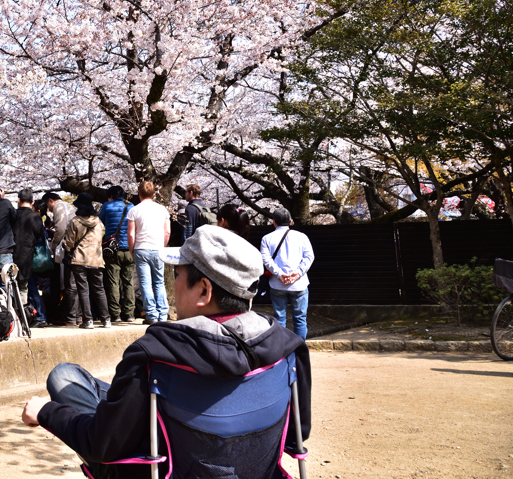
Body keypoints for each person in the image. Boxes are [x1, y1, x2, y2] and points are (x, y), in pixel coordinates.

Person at [20, 215, 311, 477]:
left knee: (64, 376)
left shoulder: (156, 353)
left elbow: (103, 445)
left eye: (178, 274)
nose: (175, 283)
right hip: (255, 468)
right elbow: (298, 434)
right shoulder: (289, 349)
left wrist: (47, 413)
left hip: (164, 467)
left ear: (204, 290)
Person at [260, 207, 315, 339]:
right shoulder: (302, 237)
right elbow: (309, 257)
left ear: (274, 221)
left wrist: (280, 274)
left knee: (279, 319)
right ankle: (299, 351)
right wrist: (297, 273)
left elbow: (266, 260)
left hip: (277, 285)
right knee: (300, 319)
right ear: (290, 221)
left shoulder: (266, 239)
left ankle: (281, 352)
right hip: (299, 284)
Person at [62, 193, 109, 329]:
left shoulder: (75, 222)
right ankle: (106, 320)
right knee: (99, 289)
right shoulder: (99, 222)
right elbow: (100, 238)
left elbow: (69, 242)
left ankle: (88, 321)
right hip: (96, 259)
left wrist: (68, 248)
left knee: (83, 290)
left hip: (80, 258)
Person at [126, 180, 170, 323]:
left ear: (139, 193)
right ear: (153, 194)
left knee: (145, 283)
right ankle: (163, 314)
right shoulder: (163, 210)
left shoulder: (134, 210)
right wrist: (162, 247)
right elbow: (167, 232)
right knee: (159, 282)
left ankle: (151, 314)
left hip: (141, 248)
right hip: (158, 248)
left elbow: (131, 234)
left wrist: (132, 250)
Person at [98, 185, 134, 325]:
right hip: (129, 249)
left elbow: (100, 224)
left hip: (113, 249)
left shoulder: (106, 206)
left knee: (113, 281)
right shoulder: (131, 207)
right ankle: (130, 313)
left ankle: (115, 314)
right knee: (128, 282)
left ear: (111, 195)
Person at [11, 188, 46, 326]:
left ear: (18, 200)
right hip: (27, 255)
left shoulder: (12, 215)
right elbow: (39, 235)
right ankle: (24, 317)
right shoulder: (36, 218)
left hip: (12, 254)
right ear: (32, 202)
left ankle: (15, 316)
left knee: (10, 286)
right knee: (24, 286)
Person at [43, 191, 76, 325]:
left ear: (51, 200)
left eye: (47, 204)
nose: (48, 208)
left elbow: (61, 229)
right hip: (75, 245)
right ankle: (76, 315)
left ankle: (70, 316)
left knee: (68, 284)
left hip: (66, 248)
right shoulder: (70, 206)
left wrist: (54, 245)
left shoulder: (58, 207)